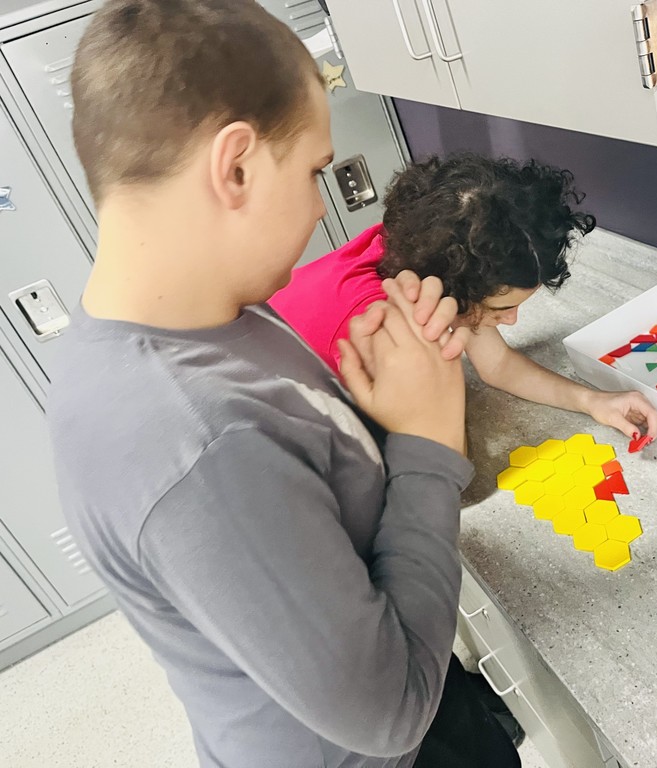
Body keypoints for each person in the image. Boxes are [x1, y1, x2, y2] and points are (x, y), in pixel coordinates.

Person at [46, 1, 521, 767]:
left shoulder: (204, 320)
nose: (319, 203)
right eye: (313, 171)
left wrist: (371, 414)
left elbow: (299, 494)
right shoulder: (194, 440)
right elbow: (390, 712)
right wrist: (429, 441)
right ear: (234, 167)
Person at [270, 154, 657, 443]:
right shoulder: (378, 325)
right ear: (455, 290)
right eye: (501, 308)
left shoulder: (426, 253)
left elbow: (497, 366)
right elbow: (429, 458)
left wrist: (593, 401)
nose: (511, 321)